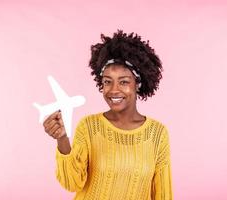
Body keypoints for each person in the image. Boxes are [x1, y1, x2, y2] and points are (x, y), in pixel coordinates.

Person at [43, 30, 173, 200]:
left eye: (124, 81)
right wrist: (62, 138)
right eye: (107, 81)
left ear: (138, 84)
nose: (114, 90)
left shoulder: (157, 133)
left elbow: (163, 194)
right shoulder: (89, 126)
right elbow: (72, 183)